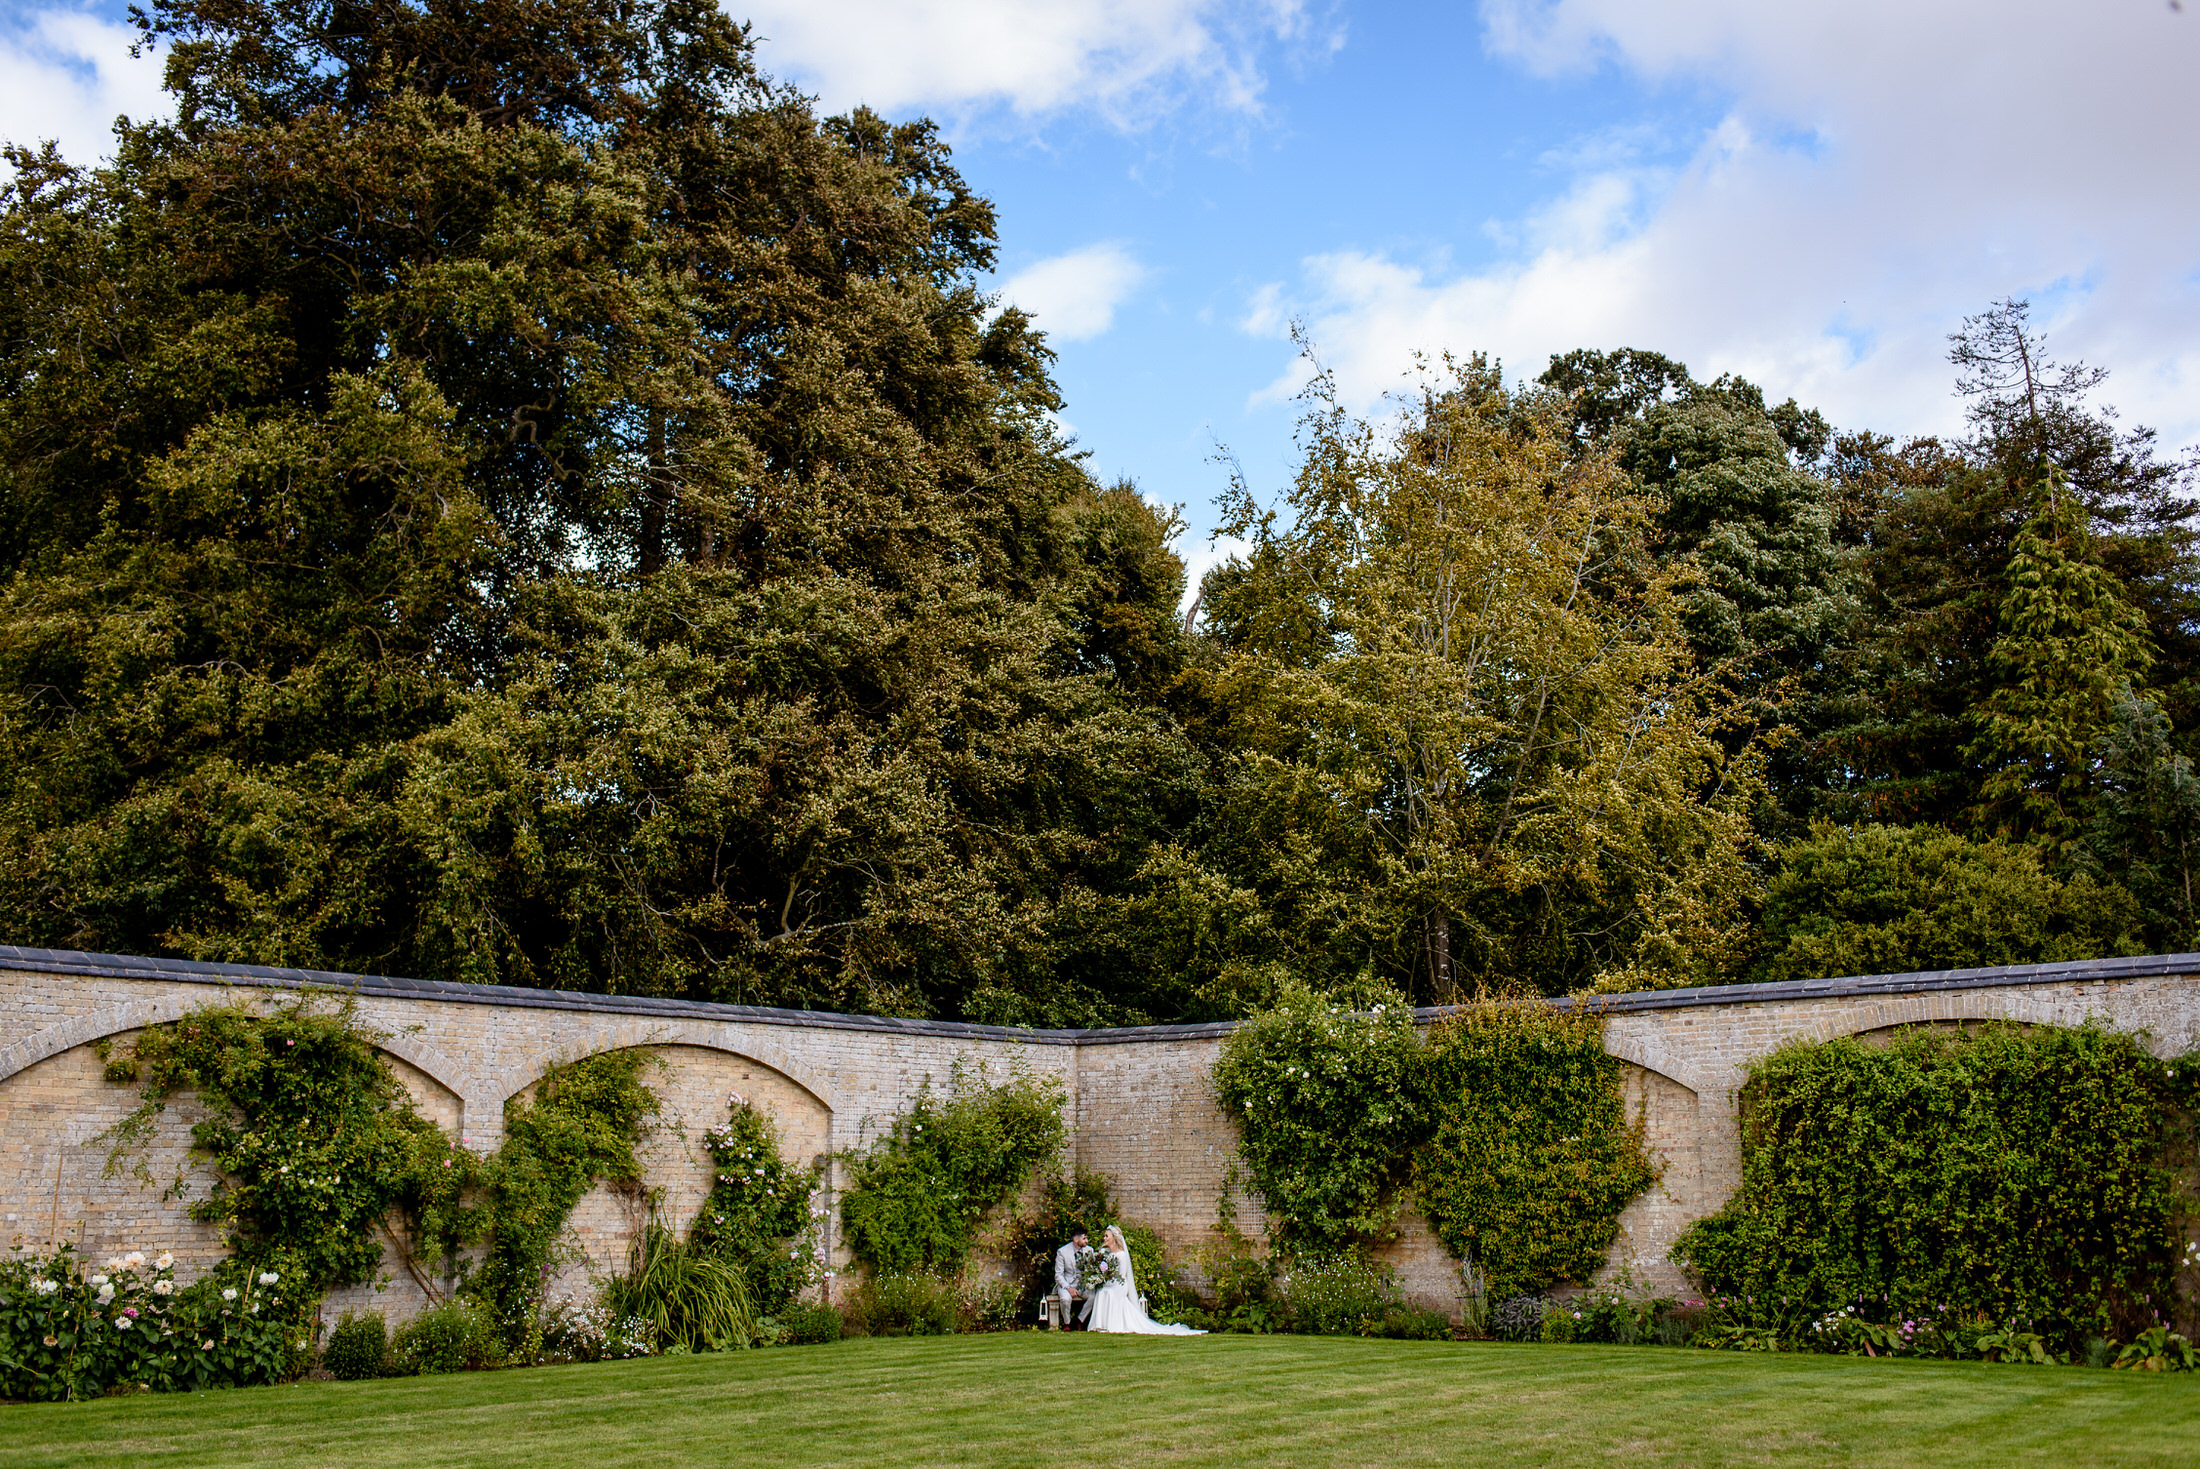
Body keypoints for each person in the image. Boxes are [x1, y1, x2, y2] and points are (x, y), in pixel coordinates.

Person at [1084, 1225, 1206, 1335]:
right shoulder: (1105, 1253)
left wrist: (1107, 1277)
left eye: (1107, 1236)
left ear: (1114, 1238)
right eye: (1104, 1236)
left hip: (1118, 1285)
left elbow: (1121, 1275)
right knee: (1101, 1291)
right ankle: (1101, 1324)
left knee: (1108, 1292)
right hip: (1109, 1283)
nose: (1104, 1238)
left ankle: (1114, 1324)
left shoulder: (1121, 1255)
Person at [1050, 1229, 1088, 1329]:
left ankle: (1079, 1320)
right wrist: (1068, 1288)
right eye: (1084, 1238)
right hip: (1066, 1283)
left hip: (1082, 1284)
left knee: (1094, 1296)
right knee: (1065, 1299)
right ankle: (1067, 1323)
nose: (1086, 1241)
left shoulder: (1089, 1250)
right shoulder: (1062, 1252)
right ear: (1076, 1239)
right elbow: (1058, 1275)